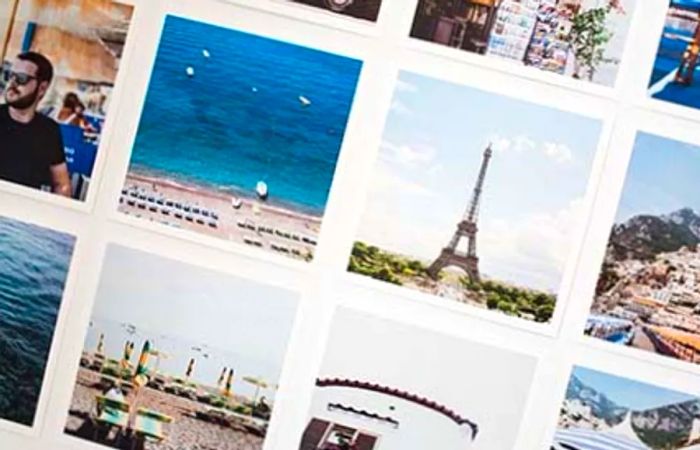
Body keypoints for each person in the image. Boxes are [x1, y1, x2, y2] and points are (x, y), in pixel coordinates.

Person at [0, 52, 71, 196]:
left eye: (21, 78)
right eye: (9, 75)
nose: (11, 83)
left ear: (42, 88)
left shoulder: (49, 132)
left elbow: (62, 184)